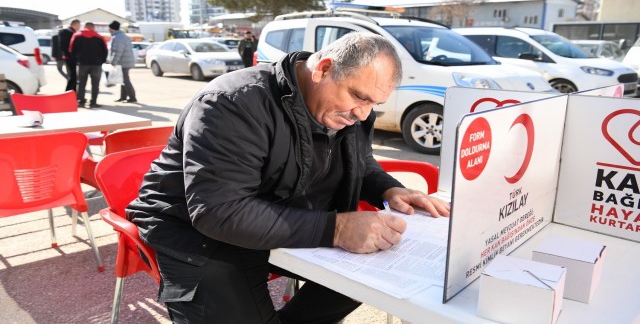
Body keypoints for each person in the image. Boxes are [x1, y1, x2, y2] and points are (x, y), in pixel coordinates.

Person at [126, 32, 450, 323]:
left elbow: (360, 163)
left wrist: (390, 189)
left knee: (374, 277)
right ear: (322, 69)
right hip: (197, 233)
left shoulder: (348, 108)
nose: (363, 114)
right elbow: (218, 211)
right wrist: (337, 229)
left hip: (288, 216)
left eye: (375, 104)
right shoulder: (233, 103)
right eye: (359, 98)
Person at [70, 22, 108, 108]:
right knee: (95, 84)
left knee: (81, 83)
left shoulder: (77, 36)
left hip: (82, 63)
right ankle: (93, 102)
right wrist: (101, 61)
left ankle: (81, 101)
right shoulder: (99, 37)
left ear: (85, 27)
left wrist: (76, 59)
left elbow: (72, 49)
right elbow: (105, 51)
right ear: (93, 27)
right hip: (96, 64)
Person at [108, 20, 137, 103]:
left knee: (125, 80)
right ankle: (123, 97)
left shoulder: (117, 38)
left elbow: (117, 51)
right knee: (123, 80)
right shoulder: (123, 36)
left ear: (111, 28)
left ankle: (132, 97)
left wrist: (113, 62)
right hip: (126, 62)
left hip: (123, 62)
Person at [59, 19, 80, 92]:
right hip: (69, 57)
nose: (79, 27)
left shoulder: (73, 32)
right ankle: (68, 92)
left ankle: (73, 93)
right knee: (72, 76)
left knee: (73, 76)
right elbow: (63, 46)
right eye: (79, 25)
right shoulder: (66, 32)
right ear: (75, 24)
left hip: (72, 57)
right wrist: (70, 56)